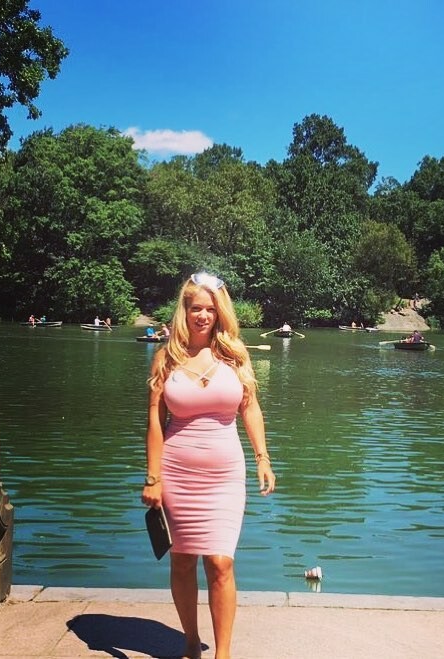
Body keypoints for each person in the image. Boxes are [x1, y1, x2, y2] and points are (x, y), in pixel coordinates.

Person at [142, 272, 276, 659]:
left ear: (220, 313)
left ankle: (223, 653)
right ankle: (190, 643)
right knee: (183, 562)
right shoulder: (166, 358)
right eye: (196, 308)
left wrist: (263, 458)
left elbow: (250, 407)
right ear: (184, 311)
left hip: (225, 474)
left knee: (220, 563)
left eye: (210, 309)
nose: (203, 315)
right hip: (177, 471)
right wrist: (153, 477)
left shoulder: (235, 354)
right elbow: (155, 422)